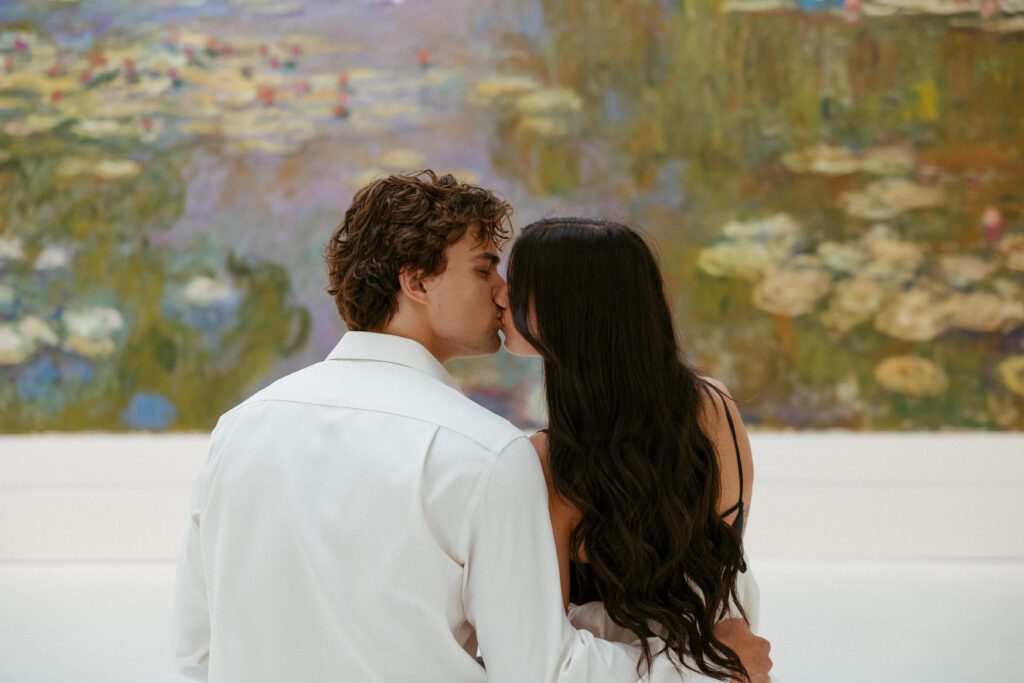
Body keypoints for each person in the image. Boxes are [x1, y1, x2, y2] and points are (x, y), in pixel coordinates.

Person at [172, 171, 771, 682]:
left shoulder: (237, 429)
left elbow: (198, 651)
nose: (501, 292)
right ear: (416, 282)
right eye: (486, 268)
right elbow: (537, 669)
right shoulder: (487, 454)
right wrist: (710, 668)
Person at [500, 217, 765, 682]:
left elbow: (543, 658)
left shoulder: (547, 462)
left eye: (520, 285)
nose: (501, 296)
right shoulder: (714, 407)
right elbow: (725, 597)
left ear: (574, 308)